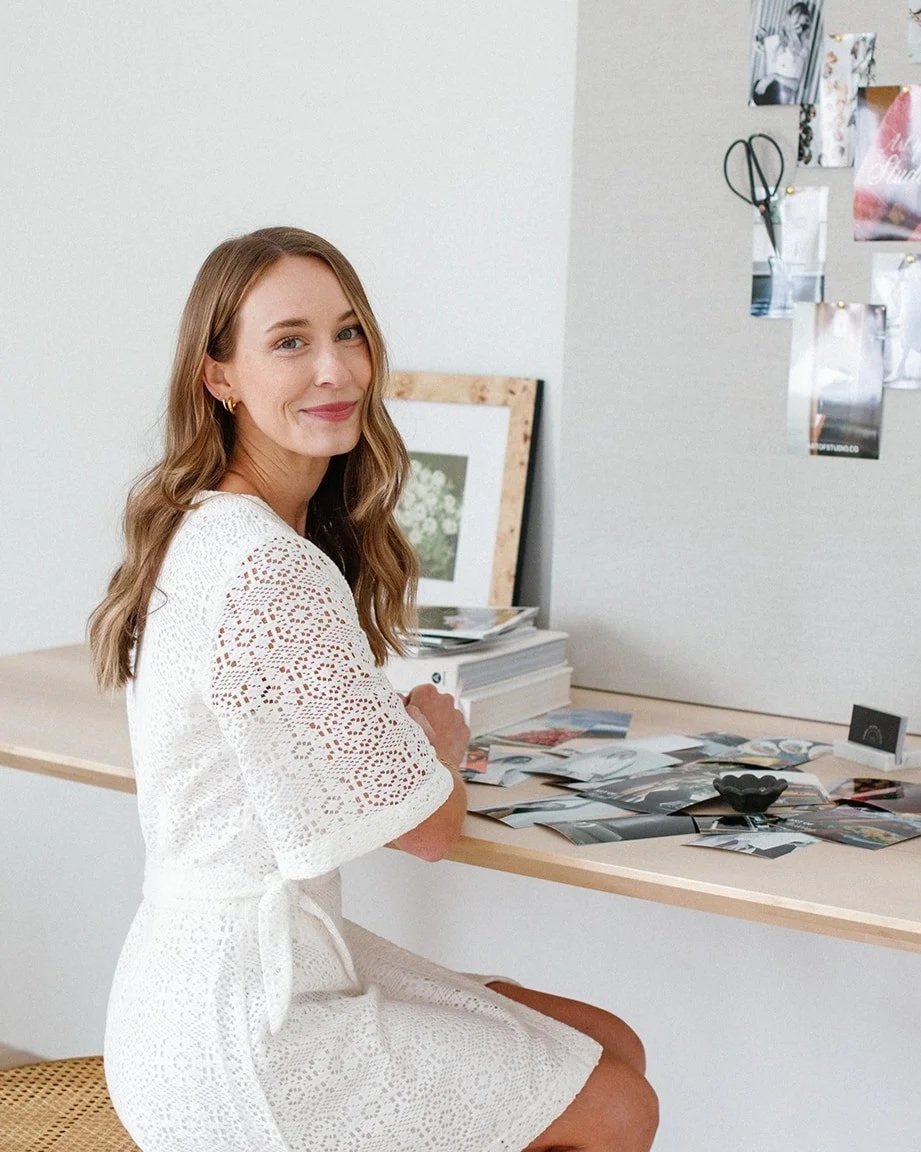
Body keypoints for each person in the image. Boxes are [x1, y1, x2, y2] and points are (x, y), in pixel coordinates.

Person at [89, 227, 658, 1152]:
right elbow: (430, 831)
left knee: (604, 1045)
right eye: (289, 342)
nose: (334, 368)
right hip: (244, 1031)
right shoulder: (268, 566)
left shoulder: (207, 527)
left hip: (196, 990)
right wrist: (435, 741)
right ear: (218, 376)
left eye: (348, 333)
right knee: (616, 1104)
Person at [751, 2, 814, 106]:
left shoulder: (802, 51)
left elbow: (795, 85)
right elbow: (764, 72)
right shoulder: (775, 41)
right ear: (790, 21)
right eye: (797, 23)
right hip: (761, 98)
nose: (799, 29)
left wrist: (774, 76)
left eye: (803, 26)